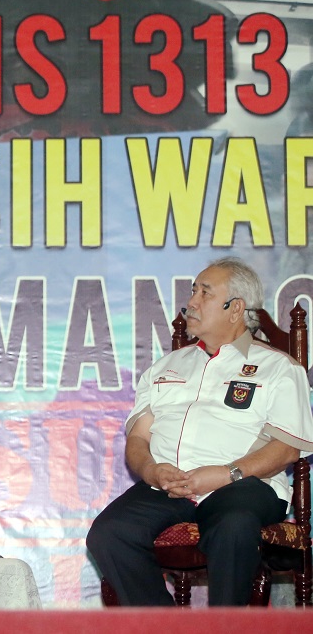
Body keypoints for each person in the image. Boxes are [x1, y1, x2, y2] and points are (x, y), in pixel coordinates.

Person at [86, 257, 313, 606]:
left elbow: (286, 449)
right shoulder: (165, 367)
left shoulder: (278, 368)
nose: (191, 301)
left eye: (205, 293)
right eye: (193, 291)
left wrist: (225, 474)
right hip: (169, 487)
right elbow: (138, 438)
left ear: (235, 308)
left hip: (244, 485)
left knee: (233, 528)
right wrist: (151, 470)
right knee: (108, 534)